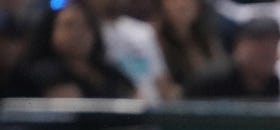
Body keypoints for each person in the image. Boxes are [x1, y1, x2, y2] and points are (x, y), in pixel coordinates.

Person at [6, 0, 137, 98]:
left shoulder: (109, 72)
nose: (78, 33)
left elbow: (135, 96)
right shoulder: (37, 76)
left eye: (85, 26)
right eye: (69, 26)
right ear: (50, 30)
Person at [183, 15, 280, 99]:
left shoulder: (272, 83)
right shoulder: (211, 81)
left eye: (272, 47)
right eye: (260, 48)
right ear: (240, 47)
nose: (268, 52)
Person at [152, 0, 229, 100]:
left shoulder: (207, 36)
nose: (183, 4)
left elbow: (221, 75)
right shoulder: (153, 39)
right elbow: (166, 92)